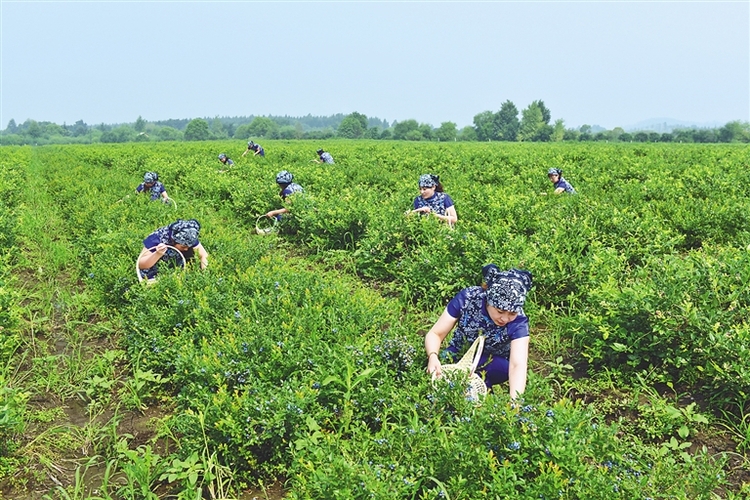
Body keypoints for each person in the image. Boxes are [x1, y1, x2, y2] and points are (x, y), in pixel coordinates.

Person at [424, 265, 533, 399]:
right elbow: (436, 333)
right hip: (460, 352)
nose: (505, 318)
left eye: (512, 313)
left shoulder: (519, 322)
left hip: (492, 362)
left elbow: (518, 364)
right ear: (488, 300)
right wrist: (433, 356)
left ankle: (481, 389)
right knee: (438, 367)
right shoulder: (468, 298)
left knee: (504, 369)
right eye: (499, 311)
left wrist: (515, 401)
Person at [137, 219, 209, 280]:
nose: (186, 249)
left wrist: (205, 275)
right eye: (183, 247)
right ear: (174, 241)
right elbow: (140, 264)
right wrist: (157, 254)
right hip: (155, 271)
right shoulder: (156, 238)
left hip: (179, 270)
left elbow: (203, 255)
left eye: (189, 246)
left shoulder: (189, 235)